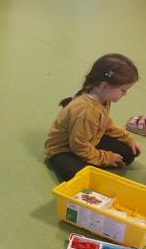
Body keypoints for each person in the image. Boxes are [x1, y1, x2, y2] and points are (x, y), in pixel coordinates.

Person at [45, 53, 141, 181]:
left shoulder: (103, 97)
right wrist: (106, 157)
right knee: (79, 177)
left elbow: (106, 122)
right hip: (65, 149)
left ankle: (91, 159)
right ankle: (84, 162)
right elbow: (79, 146)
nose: (125, 94)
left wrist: (127, 138)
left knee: (129, 153)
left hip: (88, 138)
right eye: (123, 90)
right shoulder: (86, 112)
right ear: (104, 86)